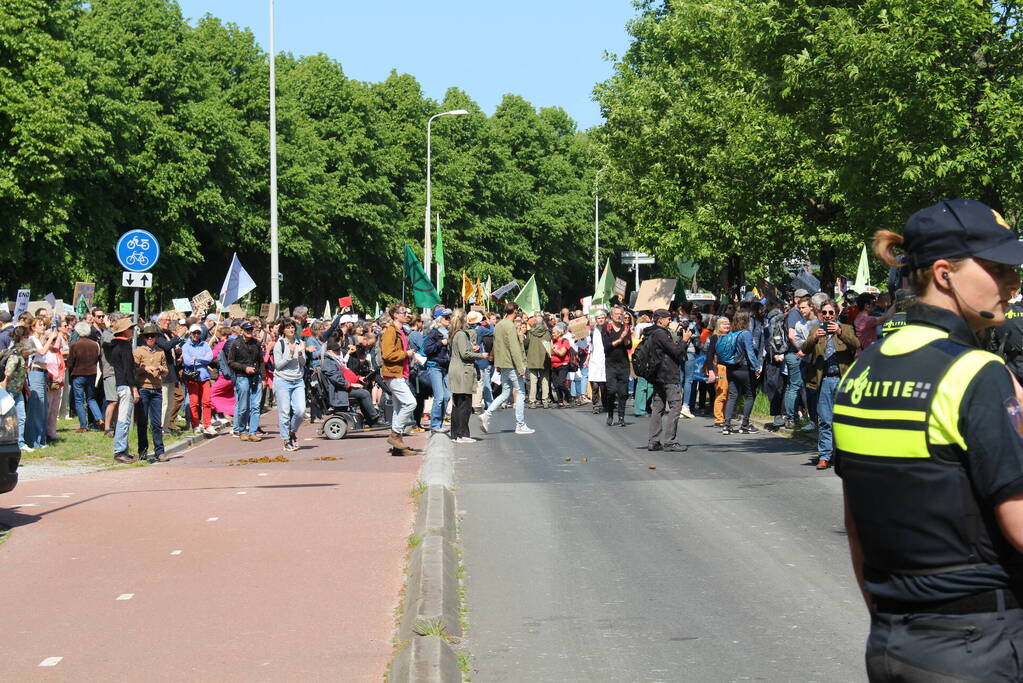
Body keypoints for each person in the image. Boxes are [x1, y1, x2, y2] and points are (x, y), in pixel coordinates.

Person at [836, 199, 1023, 681]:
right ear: (944, 273)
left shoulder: (864, 368)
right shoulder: (976, 372)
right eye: (999, 269)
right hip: (980, 643)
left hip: (893, 640)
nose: (1012, 283)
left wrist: (889, 620)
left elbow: (856, 523)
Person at [801, 300, 858, 469]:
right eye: (824, 313)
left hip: (842, 379)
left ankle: (842, 455)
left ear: (836, 314)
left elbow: (856, 345)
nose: (827, 316)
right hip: (824, 379)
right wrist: (814, 338)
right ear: (820, 314)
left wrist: (840, 332)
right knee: (825, 420)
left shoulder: (846, 328)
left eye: (830, 313)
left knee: (843, 420)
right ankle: (824, 456)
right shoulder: (815, 330)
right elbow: (804, 349)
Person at [479, 302, 534, 435]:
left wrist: (497, 363)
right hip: (512, 364)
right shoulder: (510, 326)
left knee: (505, 392)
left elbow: (496, 345)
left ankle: (487, 414)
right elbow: (514, 348)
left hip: (503, 364)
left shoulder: (499, 325)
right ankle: (520, 425)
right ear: (515, 311)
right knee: (520, 392)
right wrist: (520, 367)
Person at [643, 309, 689, 452]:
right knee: (675, 406)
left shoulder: (651, 333)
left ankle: (654, 441)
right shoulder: (660, 334)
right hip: (668, 374)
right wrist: (684, 340)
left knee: (658, 407)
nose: (670, 321)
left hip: (658, 375)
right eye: (668, 319)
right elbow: (675, 351)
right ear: (660, 320)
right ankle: (670, 442)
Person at [380, 303, 418, 454]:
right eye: (403, 312)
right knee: (410, 403)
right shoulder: (390, 331)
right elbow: (387, 354)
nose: (406, 314)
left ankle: (397, 447)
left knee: (398, 409)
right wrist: (405, 354)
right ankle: (395, 435)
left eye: (406, 312)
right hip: (394, 374)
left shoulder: (401, 331)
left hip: (401, 373)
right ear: (395, 315)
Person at [447, 309, 487, 443]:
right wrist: (481, 355)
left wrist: (471, 349)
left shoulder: (453, 334)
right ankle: (462, 434)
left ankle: (455, 434)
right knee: (465, 404)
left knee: (457, 404)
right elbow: (465, 354)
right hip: (463, 371)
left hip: (455, 370)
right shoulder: (461, 335)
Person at [133, 324, 168, 463]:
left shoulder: (160, 352)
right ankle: (142, 451)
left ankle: (160, 451)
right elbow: (133, 370)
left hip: (157, 389)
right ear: (143, 338)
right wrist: (145, 368)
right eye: (147, 336)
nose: (150, 338)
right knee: (142, 422)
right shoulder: (138, 352)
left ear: (156, 337)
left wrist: (161, 369)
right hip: (144, 389)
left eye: (152, 336)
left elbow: (166, 370)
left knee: (156, 423)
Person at [272, 318, 306, 452]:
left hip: (298, 380)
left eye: (292, 327)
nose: (291, 330)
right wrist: (290, 354)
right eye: (288, 328)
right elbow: (278, 365)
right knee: (285, 412)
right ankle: (286, 439)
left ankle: (292, 432)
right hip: (282, 381)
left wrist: (300, 353)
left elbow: (303, 363)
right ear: (283, 330)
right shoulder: (279, 344)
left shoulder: (299, 342)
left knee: (300, 411)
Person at [107, 318, 138, 463]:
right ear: (124, 331)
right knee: (123, 419)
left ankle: (123, 449)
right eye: (130, 328)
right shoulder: (124, 346)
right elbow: (128, 370)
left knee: (123, 418)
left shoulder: (115, 346)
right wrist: (134, 388)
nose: (132, 330)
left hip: (120, 384)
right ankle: (119, 450)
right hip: (125, 386)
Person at [228, 320, 264, 442]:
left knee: (255, 406)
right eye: (247, 330)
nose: (249, 332)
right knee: (243, 406)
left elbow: (261, 361)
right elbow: (231, 362)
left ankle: (253, 431)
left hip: (256, 377)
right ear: (242, 331)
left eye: (251, 330)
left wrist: (263, 377)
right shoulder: (235, 343)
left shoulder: (256, 343)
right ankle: (242, 430)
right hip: (242, 377)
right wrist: (244, 368)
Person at [68, 322, 104, 433]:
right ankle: (99, 418)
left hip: (78, 374)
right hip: (92, 374)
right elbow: (99, 359)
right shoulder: (95, 345)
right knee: (91, 399)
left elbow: (70, 362)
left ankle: (83, 426)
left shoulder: (75, 345)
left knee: (79, 400)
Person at [181, 323, 216, 435]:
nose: (196, 335)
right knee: (194, 403)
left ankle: (207, 424)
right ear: (190, 334)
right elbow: (187, 361)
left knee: (206, 402)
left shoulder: (205, 344)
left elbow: (210, 358)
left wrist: (196, 359)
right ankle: (195, 425)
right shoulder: (186, 346)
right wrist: (202, 359)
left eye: (198, 333)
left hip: (204, 376)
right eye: (194, 333)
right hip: (192, 377)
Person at [600, 306, 633, 427]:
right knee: (612, 390)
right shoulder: (606, 328)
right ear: (612, 316)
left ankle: (621, 416)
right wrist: (620, 339)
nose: (619, 316)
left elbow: (629, 346)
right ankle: (610, 414)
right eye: (617, 314)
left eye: (621, 314)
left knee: (623, 392)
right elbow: (607, 346)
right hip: (611, 364)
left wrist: (625, 338)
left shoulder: (626, 327)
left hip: (623, 364)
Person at [423, 308, 453, 433]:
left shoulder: (448, 332)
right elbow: (427, 349)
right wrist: (441, 343)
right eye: (446, 318)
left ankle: (439, 423)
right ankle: (435, 425)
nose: (449, 320)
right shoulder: (434, 332)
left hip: (445, 367)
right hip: (435, 367)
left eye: (449, 317)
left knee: (446, 396)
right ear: (440, 319)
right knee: (439, 397)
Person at [2, 341, 32, 451]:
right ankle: (9, 442)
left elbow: (22, 375)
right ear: (23, 350)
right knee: (9, 419)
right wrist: (3, 394)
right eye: (29, 351)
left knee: (21, 417)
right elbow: (7, 376)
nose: (30, 353)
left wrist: (27, 388)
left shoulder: (23, 358)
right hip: (9, 392)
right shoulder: (14, 358)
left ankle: (20, 442)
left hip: (18, 391)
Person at [703, 317, 731, 427]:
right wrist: (711, 370)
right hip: (720, 367)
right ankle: (719, 419)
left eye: (728, 324)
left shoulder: (731, 336)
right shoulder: (715, 337)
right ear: (719, 325)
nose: (727, 326)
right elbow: (709, 354)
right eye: (724, 324)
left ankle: (725, 417)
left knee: (729, 394)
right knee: (722, 393)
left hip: (731, 367)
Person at [525, 314, 551, 408]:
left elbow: (526, 344)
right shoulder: (547, 332)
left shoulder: (530, 332)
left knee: (533, 381)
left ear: (535, 323)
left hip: (532, 358)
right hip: (544, 359)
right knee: (545, 380)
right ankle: (545, 401)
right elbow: (549, 342)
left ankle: (532, 401)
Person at [587, 311, 607, 413]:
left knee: (603, 385)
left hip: (605, 360)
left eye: (602, 318)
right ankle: (596, 405)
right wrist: (587, 359)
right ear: (596, 319)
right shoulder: (592, 331)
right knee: (594, 385)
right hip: (594, 360)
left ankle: (605, 403)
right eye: (599, 318)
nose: (601, 320)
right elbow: (590, 346)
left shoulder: (608, 330)